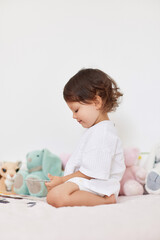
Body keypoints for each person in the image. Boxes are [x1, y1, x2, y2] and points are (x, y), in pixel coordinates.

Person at [45, 68, 125, 208]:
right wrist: (63, 182)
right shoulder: (95, 131)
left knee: (55, 196)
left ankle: (106, 201)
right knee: (54, 193)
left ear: (96, 102)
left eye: (76, 110)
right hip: (88, 183)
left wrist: (63, 180)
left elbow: (91, 173)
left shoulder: (103, 134)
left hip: (100, 187)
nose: (74, 116)